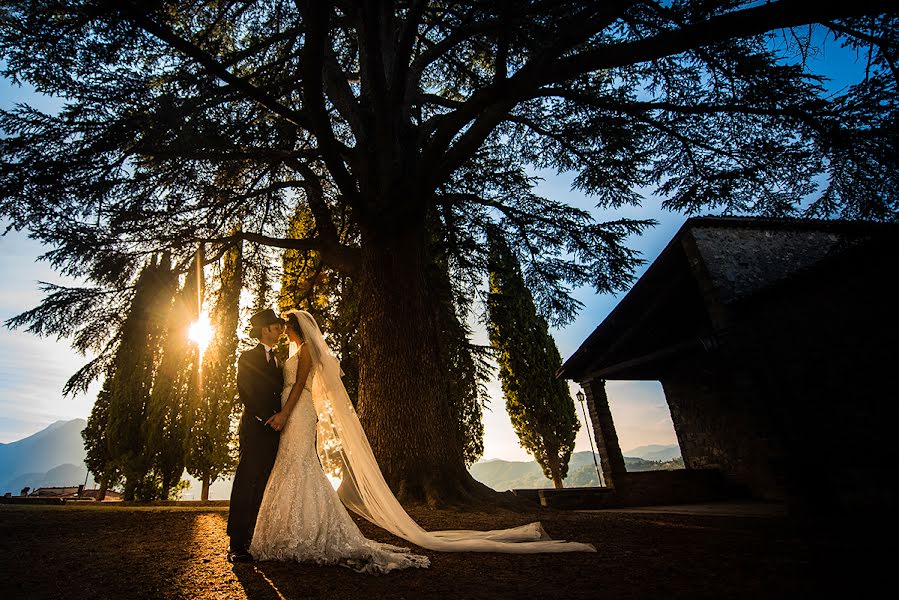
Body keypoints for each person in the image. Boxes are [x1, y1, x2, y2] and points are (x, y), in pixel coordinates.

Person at [249, 310, 595, 574]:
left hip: (298, 411)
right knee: (291, 465)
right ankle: (292, 528)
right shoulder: (290, 352)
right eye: (277, 326)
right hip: (289, 412)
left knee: (300, 464)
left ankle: (305, 531)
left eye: (283, 325)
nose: (280, 329)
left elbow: (299, 387)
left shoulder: (307, 350)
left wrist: (287, 412)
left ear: (293, 328)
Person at [226, 308, 287, 563]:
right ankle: (236, 544)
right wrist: (266, 417)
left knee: (264, 483)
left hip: (275, 430)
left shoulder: (279, 360)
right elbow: (246, 393)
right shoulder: (247, 357)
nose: (281, 330)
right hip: (255, 427)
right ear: (266, 330)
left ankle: (253, 537)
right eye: (277, 326)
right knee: (246, 482)